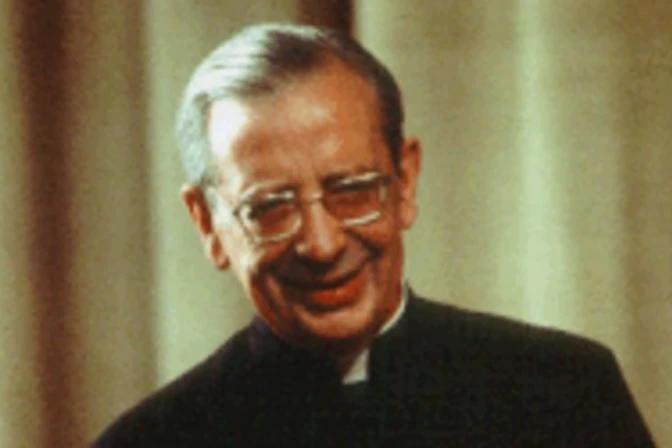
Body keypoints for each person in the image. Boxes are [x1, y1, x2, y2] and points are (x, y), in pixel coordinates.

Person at [92, 23, 655, 447]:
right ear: (207, 223)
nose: (322, 245)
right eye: (270, 208)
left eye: (352, 191)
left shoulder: (565, 393)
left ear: (404, 182)